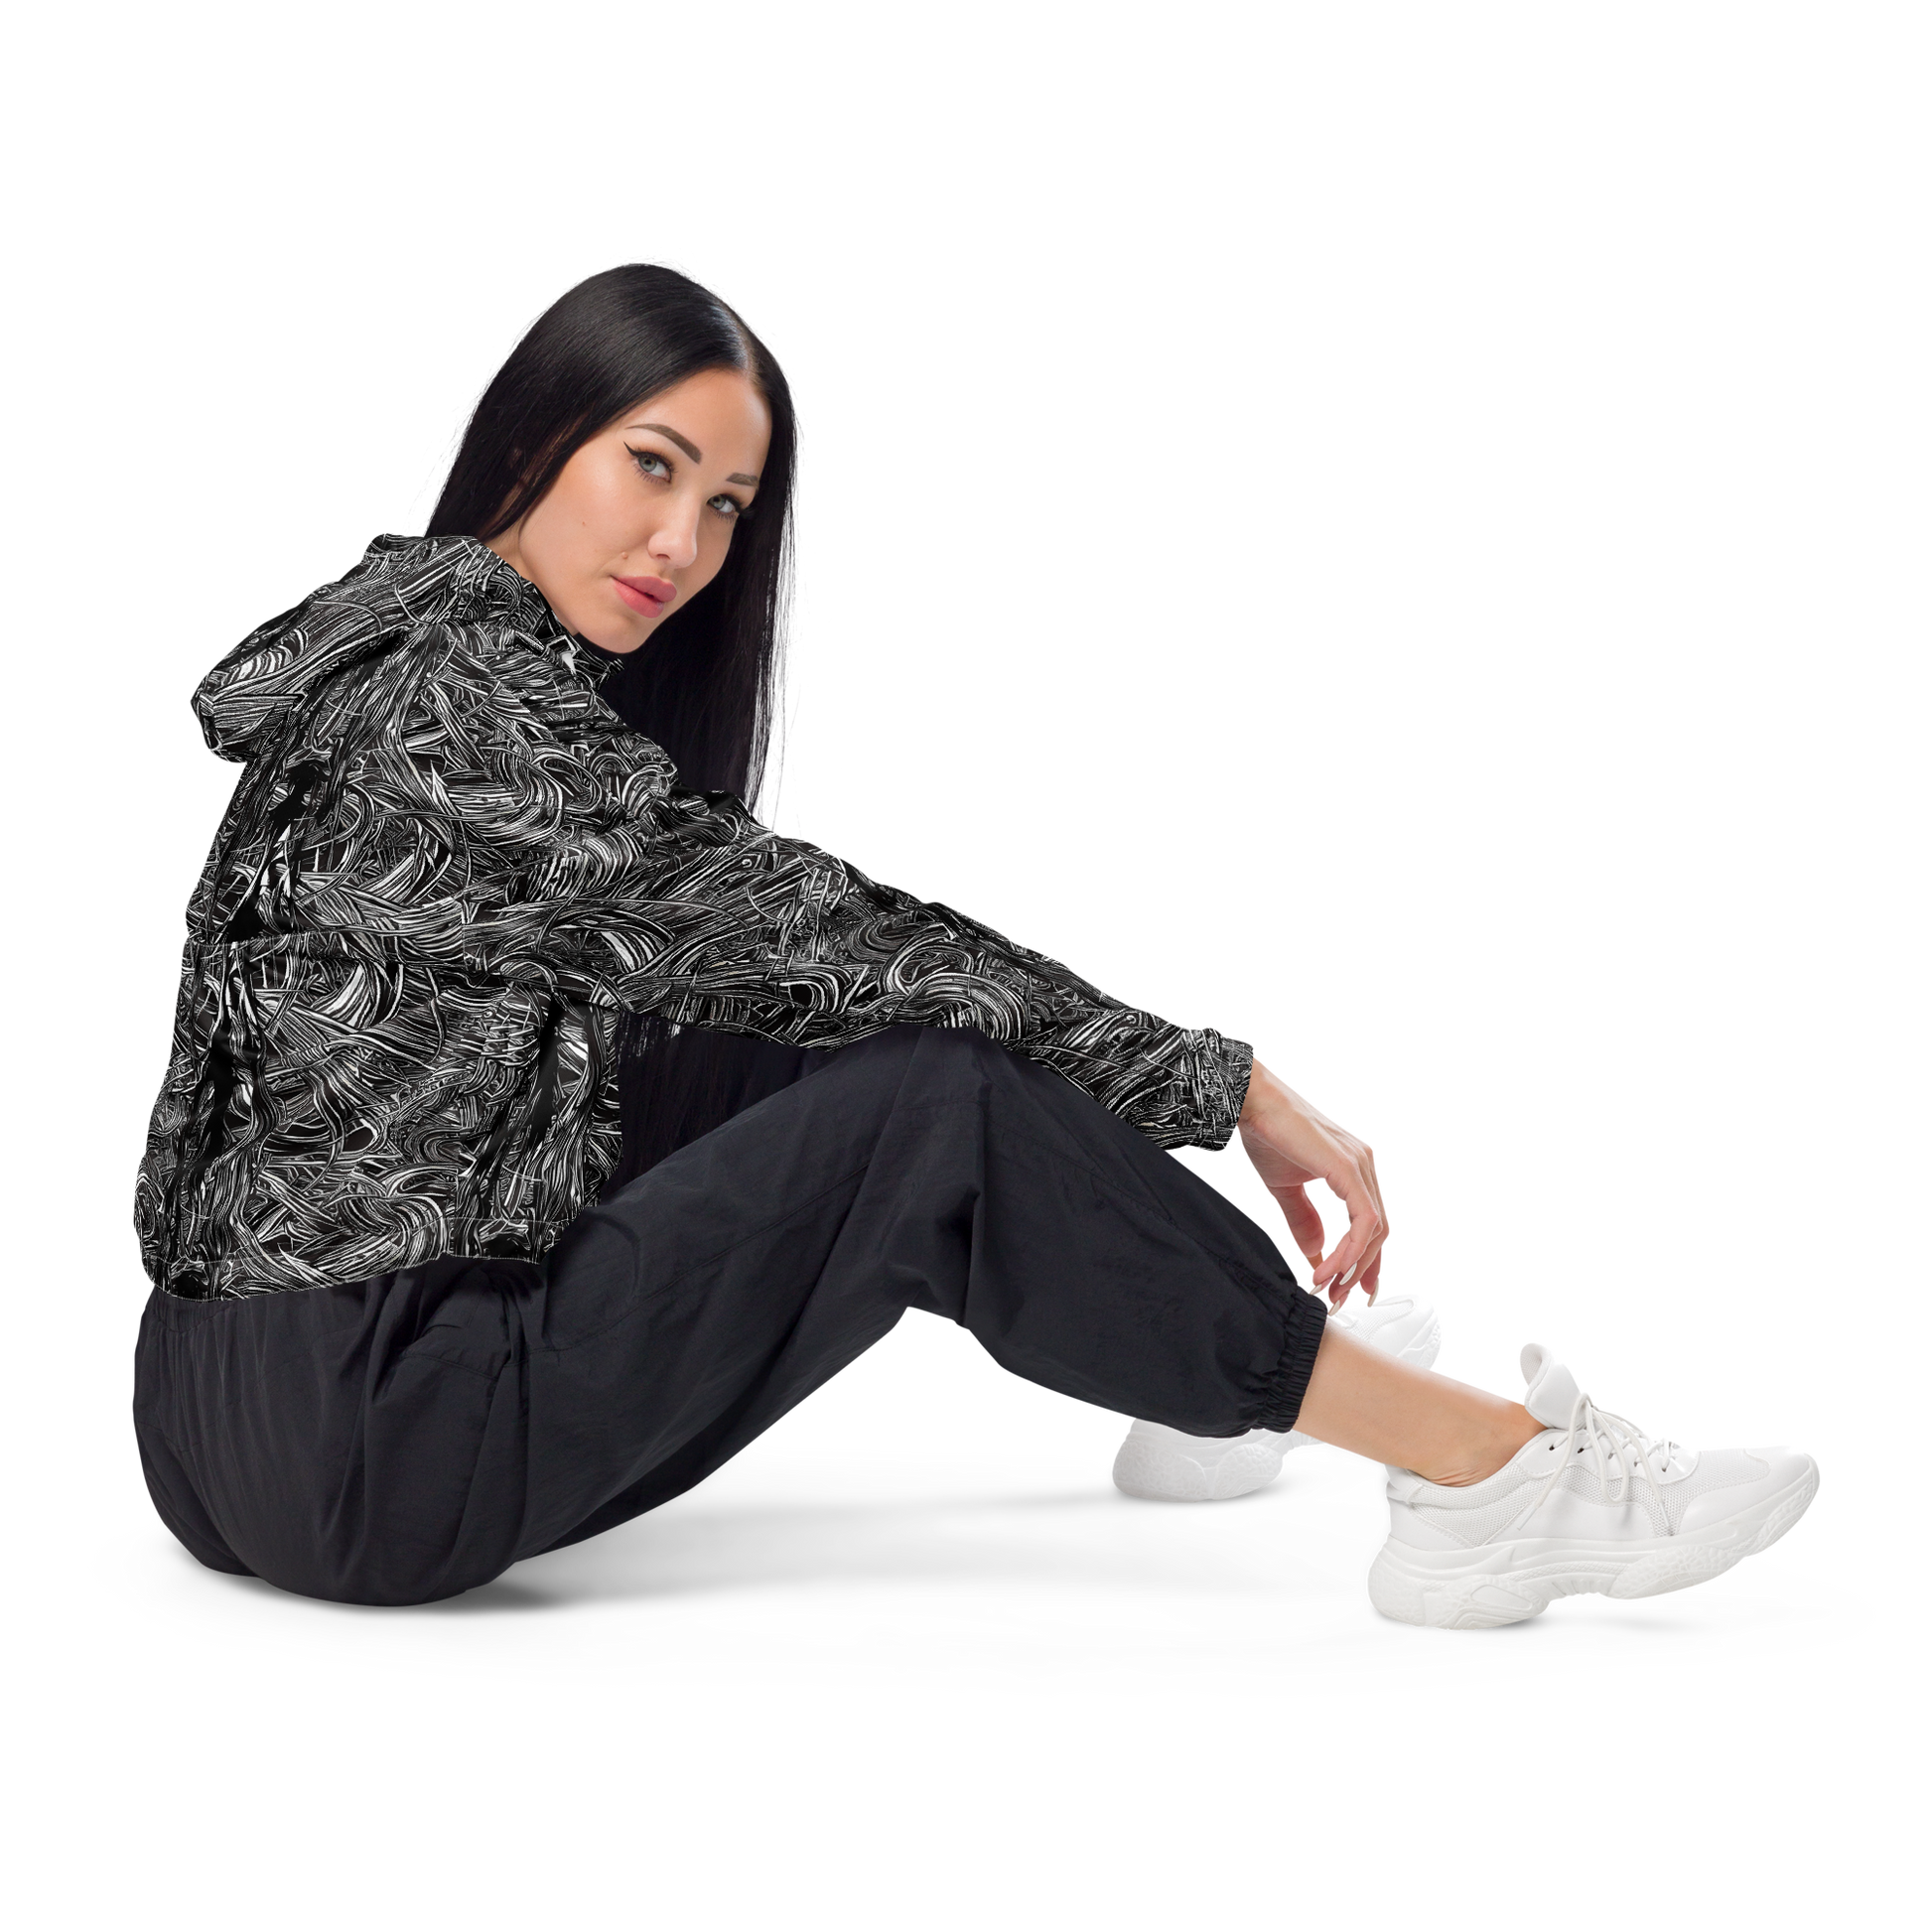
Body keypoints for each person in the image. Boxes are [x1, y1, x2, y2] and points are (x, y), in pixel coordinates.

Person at [129, 250, 1821, 1623]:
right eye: (651, 465)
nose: (681, 546)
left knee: (839, 1044)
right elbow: (834, 937)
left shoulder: (383, 654)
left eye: (726, 505)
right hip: (382, 1442)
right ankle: (1496, 1475)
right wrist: (1228, 1085)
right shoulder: (472, 726)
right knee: (936, 1101)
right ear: (534, 436)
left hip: (212, 1421)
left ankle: (1190, 1352)